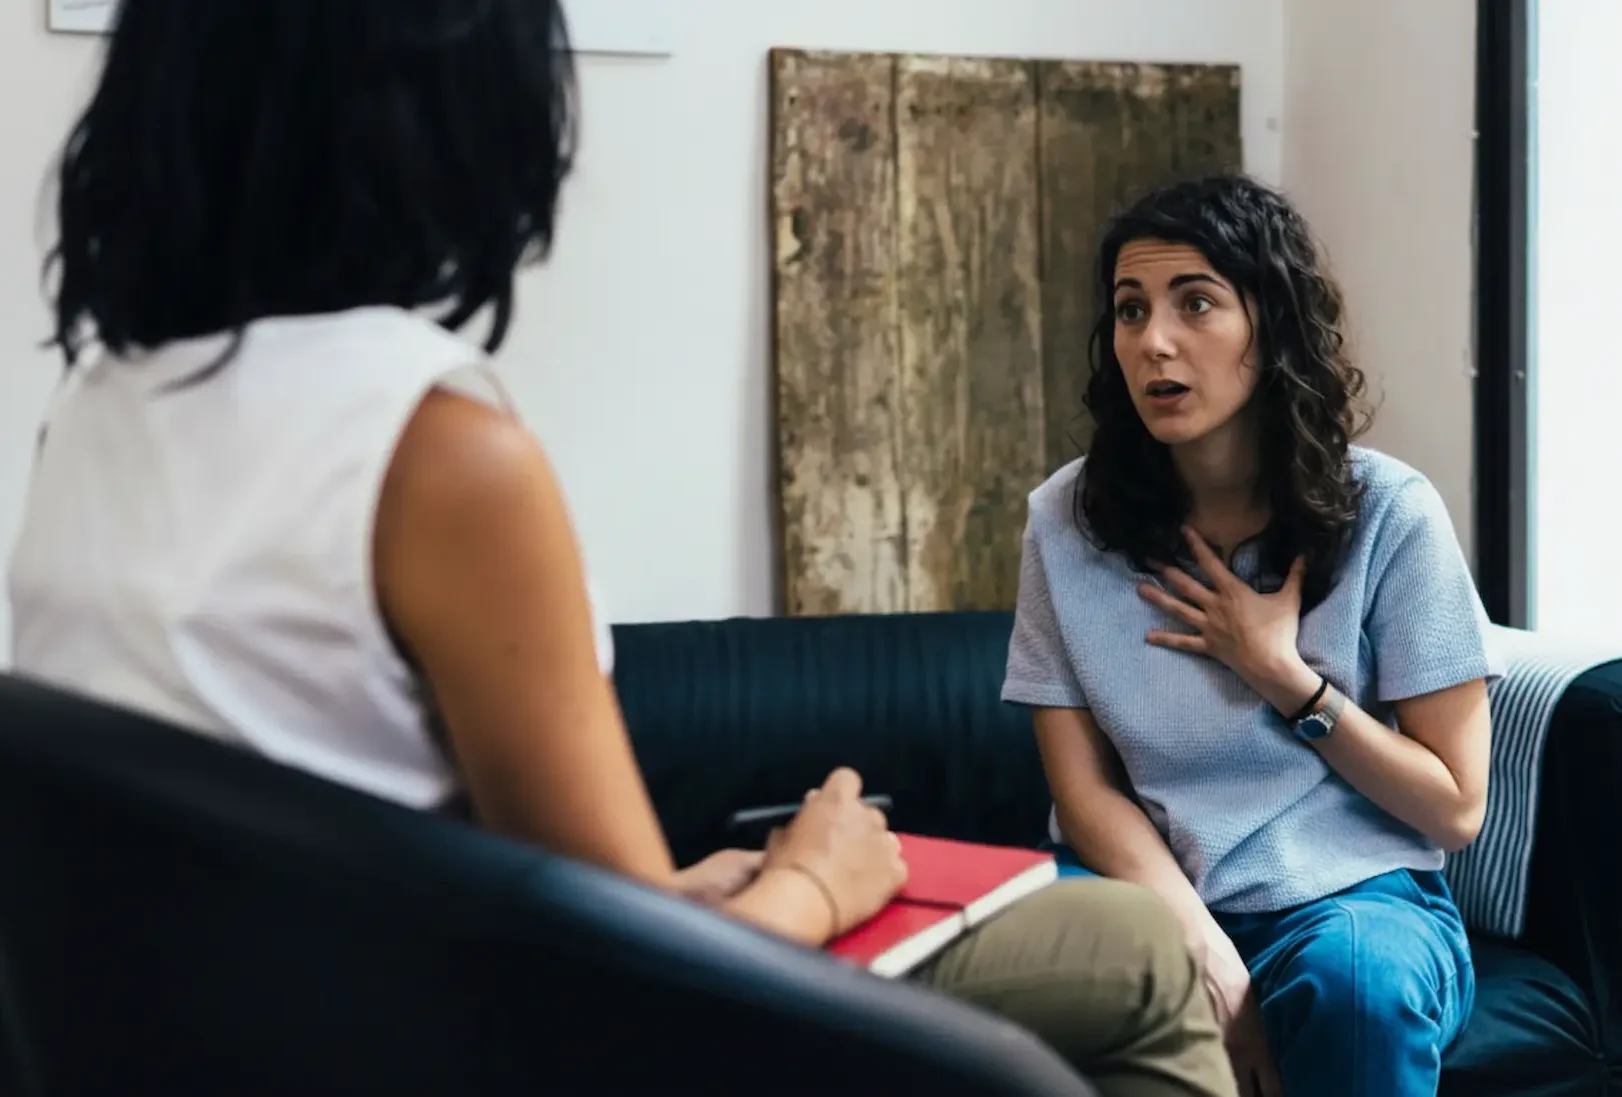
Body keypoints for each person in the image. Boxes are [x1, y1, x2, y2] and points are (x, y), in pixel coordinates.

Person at [5, 3, 1238, 1095]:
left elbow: (404, 842)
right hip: (450, 1041)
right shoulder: (434, 450)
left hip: (246, 1029)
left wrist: (690, 887)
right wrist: (812, 879)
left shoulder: (100, 410)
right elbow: (620, 993)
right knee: (1130, 951)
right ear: (455, 109)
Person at [1003, 173, 1499, 1097]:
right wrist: (1198, 944)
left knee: (1358, 985)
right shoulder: (1064, 522)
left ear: (1271, 325)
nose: (1152, 340)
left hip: (1355, 902)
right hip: (1139, 893)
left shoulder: (1392, 512)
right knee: (990, 995)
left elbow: (1456, 810)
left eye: (1196, 303)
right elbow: (1083, 792)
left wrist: (1284, 678)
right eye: (1129, 309)